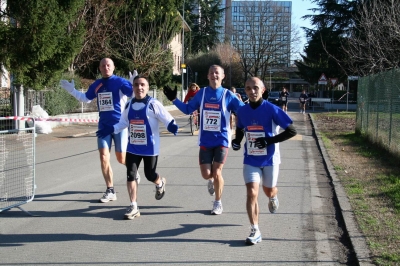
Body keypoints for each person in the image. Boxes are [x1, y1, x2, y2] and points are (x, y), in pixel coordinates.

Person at [163, 65, 245, 215]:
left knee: (217, 172)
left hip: (222, 140)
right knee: (207, 174)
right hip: (205, 141)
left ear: (223, 76)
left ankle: (218, 202)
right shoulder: (202, 93)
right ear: (208, 76)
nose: (214, 75)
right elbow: (188, 109)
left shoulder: (228, 95)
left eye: (217, 73)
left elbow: (244, 111)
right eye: (211, 73)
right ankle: (211, 180)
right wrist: (174, 99)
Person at [96, 75, 179, 219]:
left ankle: (160, 183)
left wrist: (172, 125)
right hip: (133, 147)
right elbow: (123, 123)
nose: (139, 87)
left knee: (149, 174)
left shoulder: (153, 104)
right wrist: (110, 129)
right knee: (131, 175)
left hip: (150, 148)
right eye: (136, 85)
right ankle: (133, 206)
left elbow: (167, 118)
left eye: (142, 85)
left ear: (147, 88)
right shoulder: (129, 105)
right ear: (133, 87)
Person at [60, 58, 138, 203]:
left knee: (121, 159)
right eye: (103, 65)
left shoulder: (120, 82)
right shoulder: (97, 84)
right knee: (103, 156)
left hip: (119, 126)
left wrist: (134, 85)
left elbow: (133, 96)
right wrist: (72, 91)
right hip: (103, 127)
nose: (106, 67)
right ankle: (110, 190)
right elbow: (86, 98)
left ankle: (133, 170)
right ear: (99, 68)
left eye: (108, 65)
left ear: (113, 67)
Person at [231, 77, 297, 245]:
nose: (252, 91)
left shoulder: (272, 109)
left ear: (263, 89)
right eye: (248, 88)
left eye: (255, 88)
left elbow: (292, 131)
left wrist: (269, 141)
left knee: (268, 191)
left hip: (270, 159)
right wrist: (237, 141)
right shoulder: (243, 111)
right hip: (251, 159)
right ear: (244, 91)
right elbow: (240, 130)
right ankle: (255, 229)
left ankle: (273, 197)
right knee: (252, 192)